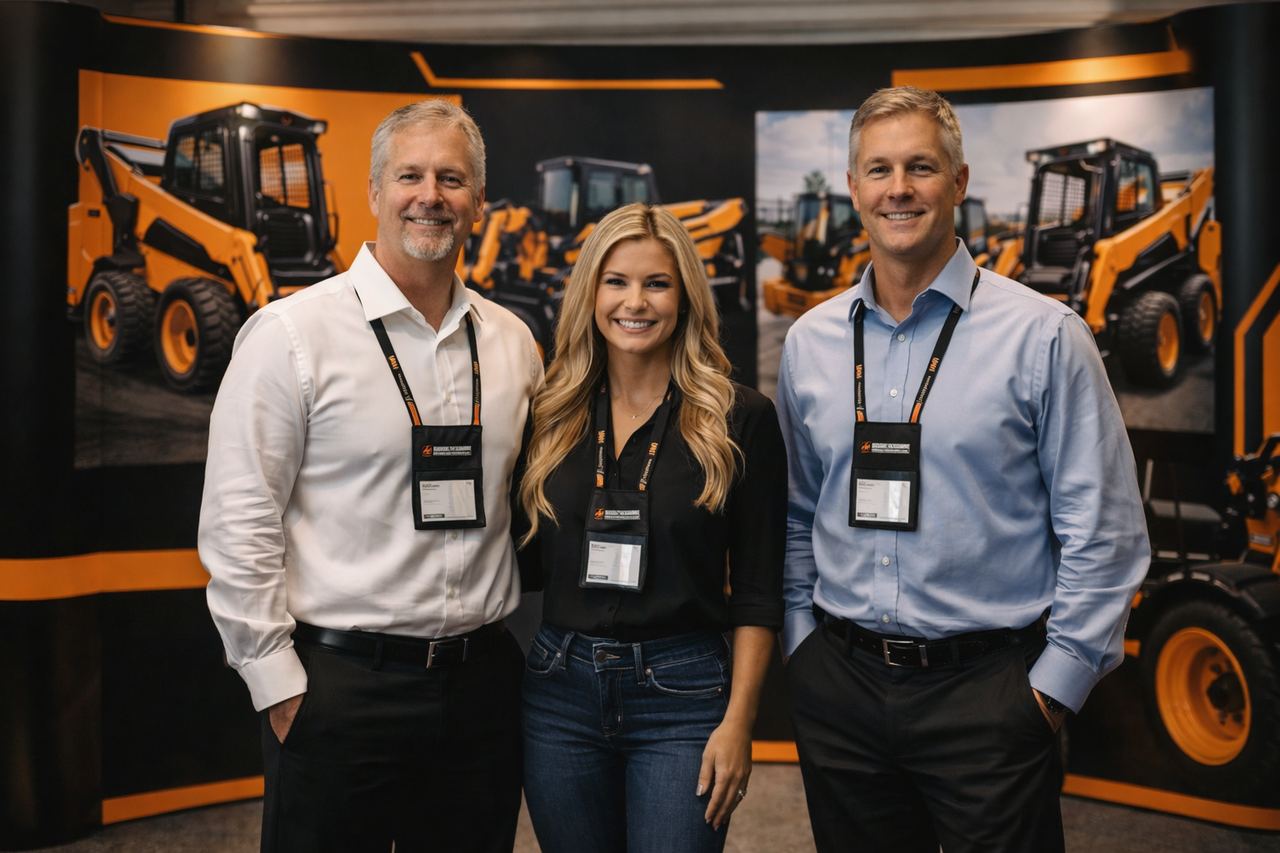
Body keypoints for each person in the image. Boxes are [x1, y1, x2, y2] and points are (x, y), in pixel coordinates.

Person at [777, 86, 1149, 852]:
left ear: (959, 180)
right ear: (853, 188)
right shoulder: (810, 342)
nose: (899, 188)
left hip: (989, 695)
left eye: (920, 166)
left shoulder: (1045, 336)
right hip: (840, 688)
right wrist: (802, 647)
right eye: (879, 169)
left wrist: (1049, 692)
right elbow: (795, 511)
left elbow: (1105, 533)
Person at [199, 100, 542, 853]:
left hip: (481, 689)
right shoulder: (292, 334)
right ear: (375, 191)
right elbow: (238, 519)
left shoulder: (514, 342)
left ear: (480, 200)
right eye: (410, 175)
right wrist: (277, 685)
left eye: (452, 178)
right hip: (341, 688)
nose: (430, 196)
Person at [514, 202, 786, 853]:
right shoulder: (549, 413)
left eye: (656, 283)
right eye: (617, 281)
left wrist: (739, 721)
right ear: (590, 292)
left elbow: (757, 592)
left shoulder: (738, 419)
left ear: (685, 296)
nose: (635, 302)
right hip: (559, 690)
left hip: (683, 694)